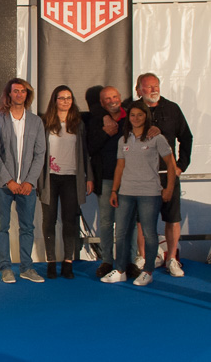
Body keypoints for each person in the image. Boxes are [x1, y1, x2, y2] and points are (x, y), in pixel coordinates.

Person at [101, 101, 176, 286]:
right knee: (121, 232)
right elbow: (120, 166)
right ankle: (120, 270)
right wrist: (114, 190)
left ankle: (148, 271)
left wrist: (169, 188)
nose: (136, 118)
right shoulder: (123, 140)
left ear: (146, 117)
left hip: (150, 193)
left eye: (140, 115)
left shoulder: (156, 138)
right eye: (132, 115)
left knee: (149, 234)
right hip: (126, 192)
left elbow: (171, 164)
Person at [133, 73, 192, 277]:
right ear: (139, 90)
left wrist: (181, 166)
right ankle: (143, 257)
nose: (153, 90)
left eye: (156, 86)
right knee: (142, 220)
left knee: (172, 218)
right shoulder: (132, 110)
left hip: (168, 175)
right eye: (148, 87)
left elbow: (186, 137)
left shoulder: (172, 109)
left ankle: (172, 259)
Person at [0, 78, 46, 283]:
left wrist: (29, 181)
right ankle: (5, 268)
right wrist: (8, 180)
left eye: (23, 91)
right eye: (15, 91)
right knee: (2, 227)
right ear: (9, 94)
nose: (19, 94)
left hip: (27, 186)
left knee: (27, 227)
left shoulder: (36, 122)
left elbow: (40, 154)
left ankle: (27, 268)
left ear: (27, 95)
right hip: (4, 185)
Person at [38, 86, 94, 279]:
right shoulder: (45, 122)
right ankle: (51, 261)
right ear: (54, 100)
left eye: (69, 98)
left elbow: (85, 152)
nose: (65, 101)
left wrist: (89, 177)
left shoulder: (78, 123)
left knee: (70, 221)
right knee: (49, 221)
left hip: (72, 177)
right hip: (50, 178)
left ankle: (68, 261)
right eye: (61, 98)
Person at [87, 86, 127, 277]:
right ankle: (107, 261)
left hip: (129, 179)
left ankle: (127, 261)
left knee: (127, 222)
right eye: (107, 99)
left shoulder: (131, 118)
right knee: (106, 222)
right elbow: (90, 147)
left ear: (120, 98)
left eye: (114, 97)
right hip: (105, 179)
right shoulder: (95, 121)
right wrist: (105, 133)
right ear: (101, 103)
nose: (112, 101)